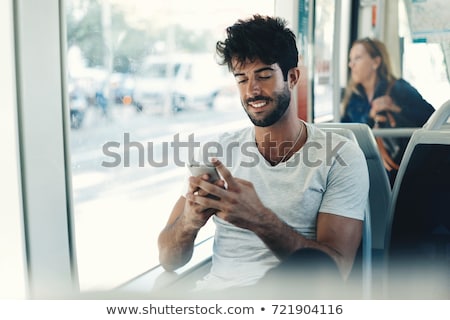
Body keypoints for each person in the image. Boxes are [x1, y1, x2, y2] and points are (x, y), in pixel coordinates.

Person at [158, 15, 369, 298]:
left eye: (264, 76)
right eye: (242, 79)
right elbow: (169, 260)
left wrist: (259, 219)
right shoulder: (219, 153)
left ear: (292, 77)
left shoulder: (341, 156)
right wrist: (190, 222)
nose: (252, 90)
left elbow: (337, 269)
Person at [341, 37, 434, 184]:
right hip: (362, 167)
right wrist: (369, 117)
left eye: (357, 58)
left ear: (376, 62)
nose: (351, 64)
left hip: (402, 168)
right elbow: (344, 132)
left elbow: (431, 117)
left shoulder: (399, 88)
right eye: (350, 59)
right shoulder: (352, 97)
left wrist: (396, 108)